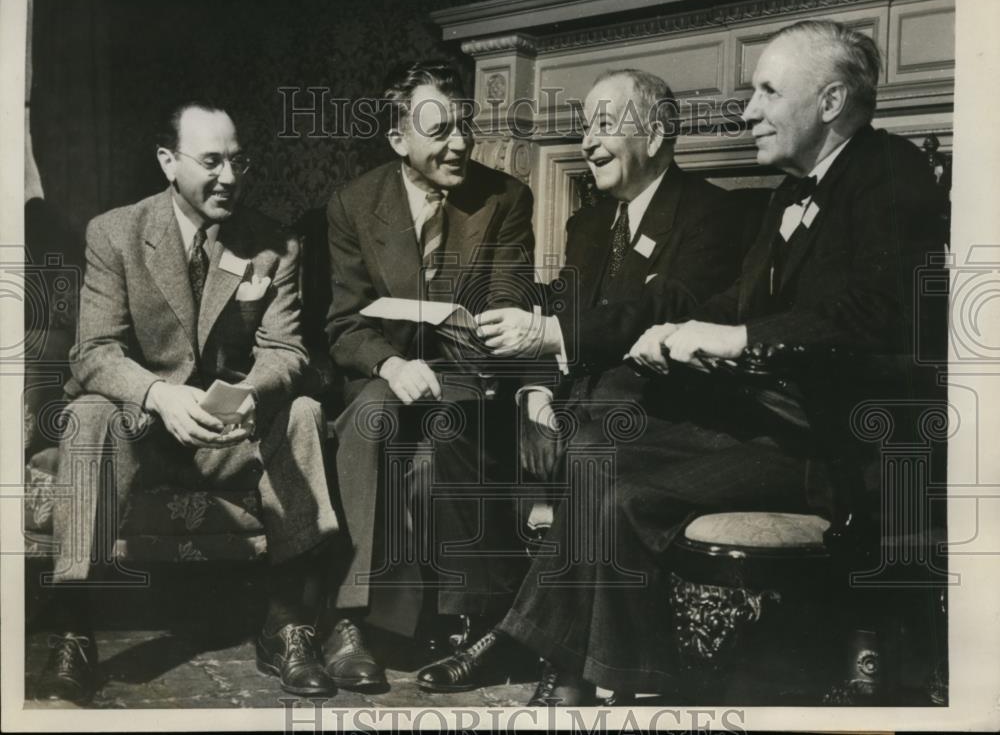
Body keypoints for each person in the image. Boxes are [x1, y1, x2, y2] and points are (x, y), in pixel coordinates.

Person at [494, 20, 947, 704]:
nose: (748, 111)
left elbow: (874, 314)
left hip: (846, 446)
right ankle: (592, 679)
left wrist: (736, 340)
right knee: (596, 458)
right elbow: (737, 301)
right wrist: (682, 329)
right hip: (777, 424)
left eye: (767, 91)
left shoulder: (890, 172)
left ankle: (588, 679)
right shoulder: (791, 191)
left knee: (624, 491)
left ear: (829, 102)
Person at [415, 69, 753, 691]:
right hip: (571, 404)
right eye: (583, 127)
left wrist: (547, 336)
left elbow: (662, 309)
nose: (586, 142)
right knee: (453, 436)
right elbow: (569, 306)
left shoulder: (715, 216)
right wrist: (537, 387)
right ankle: (493, 617)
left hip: (653, 415)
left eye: (603, 124)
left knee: (595, 449)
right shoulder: (590, 223)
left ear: (653, 134)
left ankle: (523, 645)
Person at [37, 100, 340, 704]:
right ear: (167, 161)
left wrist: (254, 392)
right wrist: (159, 394)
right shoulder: (115, 233)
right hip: (141, 434)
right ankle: (73, 629)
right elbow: (94, 351)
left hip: (229, 437)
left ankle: (285, 625)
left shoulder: (271, 242)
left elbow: (285, 349)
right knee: (89, 411)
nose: (229, 177)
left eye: (237, 161)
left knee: (302, 412)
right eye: (211, 162)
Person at [324, 60, 535, 685]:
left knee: (449, 419)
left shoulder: (505, 199)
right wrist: (391, 363)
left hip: (468, 373)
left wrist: (478, 335)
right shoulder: (354, 205)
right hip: (381, 372)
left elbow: (505, 301)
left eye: (464, 126)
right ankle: (352, 619)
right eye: (441, 130)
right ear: (398, 141)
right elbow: (343, 325)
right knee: (371, 413)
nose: (461, 143)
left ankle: (468, 622)